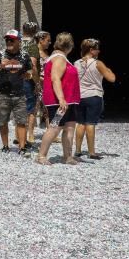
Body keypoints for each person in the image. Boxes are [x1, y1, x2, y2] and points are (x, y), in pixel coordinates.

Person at [35, 32, 81, 166]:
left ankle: (67, 156)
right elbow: (55, 78)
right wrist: (61, 98)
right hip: (59, 101)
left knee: (70, 127)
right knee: (55, 127)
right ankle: (41, 156)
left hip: (69, 100)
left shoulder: (60, 57)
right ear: (70, 46)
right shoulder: (59, 58)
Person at [0, 30, 32, 154]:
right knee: (3, 122)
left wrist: (28, 75)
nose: (9, 42)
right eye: (7, 40)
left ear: (19, 41)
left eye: (12, 40)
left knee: (21, 122)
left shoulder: (24, 55)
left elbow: (29, 72)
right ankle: (5, 146)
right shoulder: (0, 55)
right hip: (3, 94)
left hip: (19, 94)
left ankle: (22, 147)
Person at [74, 39, 117, 159]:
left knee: (80, 123)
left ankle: (77, 150)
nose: (99, 51)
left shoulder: (76, 63)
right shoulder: (98, 63)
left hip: (80, 96)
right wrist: (109, 70)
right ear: (91, 50)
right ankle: (91, 152)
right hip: (94, 95)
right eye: (97, 49)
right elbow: (112, 78)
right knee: (90, 123)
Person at [21, 22, 42, 148]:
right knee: (31, 108)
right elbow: (33, 66)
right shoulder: (32, 46)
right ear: (35, 32)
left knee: (19, 107)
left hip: (15, 79)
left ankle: (19, 136)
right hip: (28, 80)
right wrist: (37, 82)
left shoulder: (15, 43)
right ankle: (30, 135)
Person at [35, 30, 53, 130]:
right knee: (33, 110)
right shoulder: (34, 53)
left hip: (46, 86)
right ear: (41, 40)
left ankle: (50, 132)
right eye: (48, 40)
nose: (49, 43)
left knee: (48, 110)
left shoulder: (46, 53)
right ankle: (28, 135)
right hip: (37, 86)